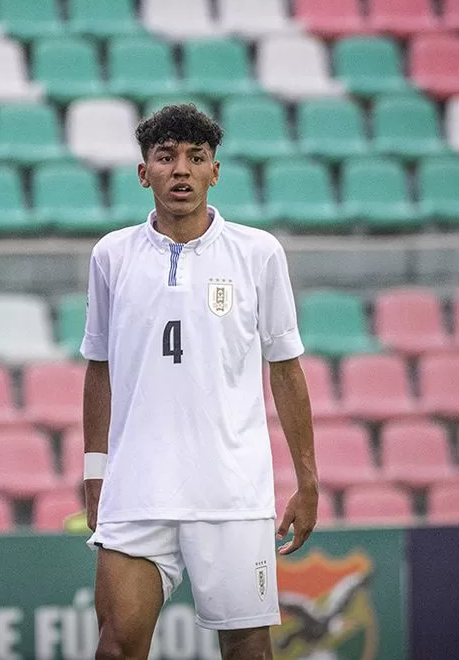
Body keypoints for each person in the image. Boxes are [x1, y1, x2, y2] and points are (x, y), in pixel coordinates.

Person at [81, 104, 319, 660]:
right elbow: (99, 367)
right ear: (145, 173)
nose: (181, 170)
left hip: (231, 491)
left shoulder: (259, 253)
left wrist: (307, 480)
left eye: (196, 158)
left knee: (247, 651)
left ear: (215, 171)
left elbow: (285, 368)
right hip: (137, 489)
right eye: (166, 158)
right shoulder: (111, 255)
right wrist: (95, 473)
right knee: (117, 646)